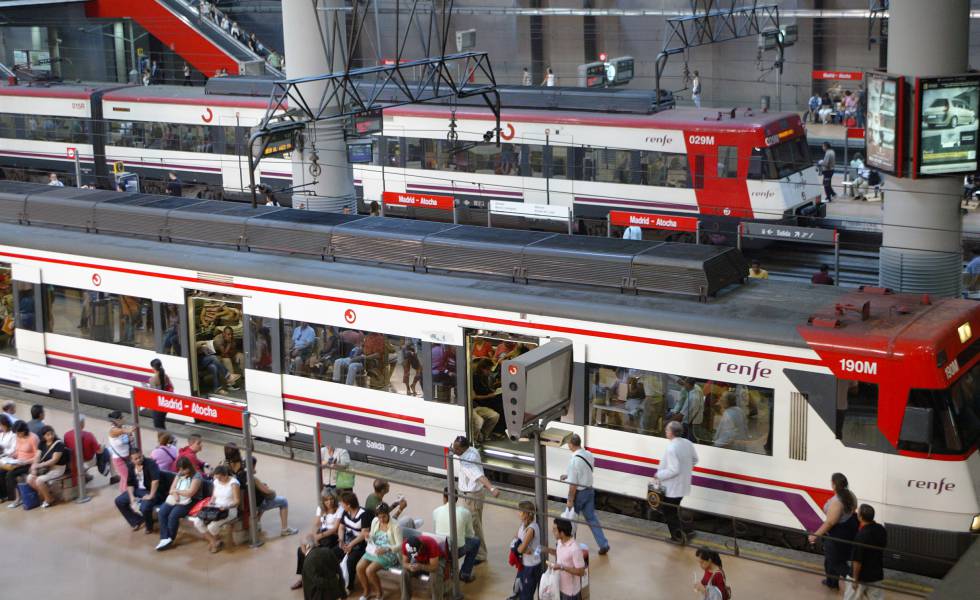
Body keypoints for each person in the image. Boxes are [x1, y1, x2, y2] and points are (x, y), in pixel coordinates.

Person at [451, 436, 500, 563]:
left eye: (456, 448)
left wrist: (492, 488)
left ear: (463, 448)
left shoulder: (468, 461)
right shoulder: (472, 449)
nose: (454, 449)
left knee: (474, 526)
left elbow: (480, 477)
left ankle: (480, 554)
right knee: (473, 524)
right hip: (471, 495)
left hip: (472, 497)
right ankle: (475, 549)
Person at [561, 434, 609, 554]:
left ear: (571, 444)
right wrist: (568, 475)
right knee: (592, 519)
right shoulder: (588, 454)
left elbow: (573, 485)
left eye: (568, 443)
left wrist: (570, 500)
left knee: (571, 520)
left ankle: (569, 547)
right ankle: (603, 544)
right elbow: (585, 470)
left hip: (579, 493)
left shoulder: (574, 461)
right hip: (590, 490)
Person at [809, 472, 858, 590]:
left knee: (835, 561)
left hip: (837, 533)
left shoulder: (838, 501)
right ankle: (831, 582)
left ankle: (854, 578)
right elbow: (854, 508)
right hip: (848, 529)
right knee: (831, 559)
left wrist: (815, 535)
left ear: (834, 484)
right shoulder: (850, 495)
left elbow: (830, 522)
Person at [654, 421, 699, 543]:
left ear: (672, 433)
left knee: (669, 511)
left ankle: (677, 537)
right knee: (674, 509)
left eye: (667, 429)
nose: (665, 431)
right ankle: (688, 531)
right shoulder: (687, 443)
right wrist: (686, 469)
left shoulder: (672, 448)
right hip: (683, 485)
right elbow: (695, 459)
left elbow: (673, 470)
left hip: (673, 487)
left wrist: (658, 475)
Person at [292, 492, 345, 590]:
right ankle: (303, 578)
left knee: (316, 553)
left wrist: (319, 536)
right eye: (326, 500)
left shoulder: (339, 509)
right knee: (301, 550)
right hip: (321, 534)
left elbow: (335, 528)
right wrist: (314, 536)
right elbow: (316, 524)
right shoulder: (320, 508)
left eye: (331, 499)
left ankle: (315, 577)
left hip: (331, 535)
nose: (329, 502)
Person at [114, 446, 167, 532]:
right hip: (138, 490)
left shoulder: (151, 464)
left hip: (153, 491)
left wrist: (151, 495)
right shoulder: (131, 466)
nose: (139, 460)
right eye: (136, 459)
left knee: (144, 507)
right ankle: (136, 521)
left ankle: (149, 527)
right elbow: (130, 483)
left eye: (140, 457)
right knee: (119, 501)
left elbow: (155, 481)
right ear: (131, 460)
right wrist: (131, 497)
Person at [356, 502, 403, 598]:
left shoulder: (395, 526)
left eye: (384, 517)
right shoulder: (375, 521)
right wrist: (368, 536)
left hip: (389, 553)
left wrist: (386, 549)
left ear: (388, 514)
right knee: (359, 567)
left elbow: (400, 545)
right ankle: (367, 591)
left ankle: (379, 593)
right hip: (374, 550)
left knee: (369, 571)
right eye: (379, 517)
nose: (381, 519)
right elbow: (372, 537)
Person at [157, 456, 204, 550]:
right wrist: (176, 494)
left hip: (191, 500)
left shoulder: (197, 476)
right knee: (162, 512)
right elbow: (171, 489)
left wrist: (176, 491)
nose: (181, 472)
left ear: (189, 467)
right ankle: (164, 538)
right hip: (177, 498)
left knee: (173, 515)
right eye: (180, 469)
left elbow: (190, 492)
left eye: (184, 469)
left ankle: (170, 538)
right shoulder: (179, 474)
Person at [433, 486, 479, 582]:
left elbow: (436, 533)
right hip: (455, 550)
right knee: (475, 541)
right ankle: (465, 573)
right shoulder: (465, 512)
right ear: (457, 498)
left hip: (440, 550)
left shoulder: (436, 511)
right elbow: (470, 534)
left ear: (444, 497)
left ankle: (450, 568)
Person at [333, 490, 373, 595]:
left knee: (350, 560)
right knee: (332, 554)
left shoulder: (365, 514)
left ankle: (349, 586)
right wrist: (341, 540)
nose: (341, 505)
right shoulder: (346, 512)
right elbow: (341, 527)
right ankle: (335, 580)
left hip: (361, 545)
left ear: (348, 505)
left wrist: (350, 545)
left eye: (342, 503)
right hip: (346, 542)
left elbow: (364, 533)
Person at [246, 456, 299, 536]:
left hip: (248, 503)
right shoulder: (253, 479)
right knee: (283, 501)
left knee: (263, 489)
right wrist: (272, 491)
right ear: (253, 466)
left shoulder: (241, 475)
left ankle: (258, 523)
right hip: (257, 504)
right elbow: (267, 492)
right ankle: (285, 529)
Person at [845, 504, 887, 600]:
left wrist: (855, 579)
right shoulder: (881, 529)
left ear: (861, 517)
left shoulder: (861, 536)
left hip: (861, 577)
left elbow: (857, 561)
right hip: (876, 575)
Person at [25, 425, 69, 508]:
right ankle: (48, 496)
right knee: (30, 478)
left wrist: (40, 465)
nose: (51, 436)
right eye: (48, 435)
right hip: (45, 468)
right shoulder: (42, 443)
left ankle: (48, 499)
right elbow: (37, 456)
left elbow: (54, 460)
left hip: (57, 468)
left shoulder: (59, 444)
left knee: (39, 480)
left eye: (52, 434)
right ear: (43, 436)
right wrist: (34, 467)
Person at [548, 517, 587, 600]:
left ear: (562, 533)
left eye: (555, 530)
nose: (552, 532)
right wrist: (546, 550)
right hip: (559, 586)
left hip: (570, 593)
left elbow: (581, 571)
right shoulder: (559, 541)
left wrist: (561, 567)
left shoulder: (575, 549)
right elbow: (561, 554)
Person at [1, 421, 38, 507]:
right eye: (16, 433)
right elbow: (17, 451)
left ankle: (17, 499)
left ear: (24, 430)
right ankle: (4, 496)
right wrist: (9, 457)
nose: (17, 435)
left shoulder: (33, 438)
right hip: (18, 462)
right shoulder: (18, 437)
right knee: (1, 471)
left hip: (28, 463)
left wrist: (25, 461)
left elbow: (37, 456)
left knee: (10, 474)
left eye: (19, 433)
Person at [400, 534, 447, 600]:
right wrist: (409, 566)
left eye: (416, 552)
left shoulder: (431, 544)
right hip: (419, 561)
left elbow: (434, 567)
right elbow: (404, 563)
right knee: (405, 572)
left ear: (421, 546)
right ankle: (405, 598)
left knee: (435, 574)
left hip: (437, 560)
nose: (415, 554)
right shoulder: (405, 545)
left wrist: (421, 566)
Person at [512, 500, 542, 600]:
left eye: (520, 511)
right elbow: (516, 538)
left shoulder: (531, 529)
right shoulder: (523, 525)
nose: (518, 513)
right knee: (518, 588)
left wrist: (518, 547)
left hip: (531, 567)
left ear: (527, 514)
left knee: (526, 594)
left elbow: (521, 549)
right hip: (524, 564)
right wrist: (519, 547)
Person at [471, 358, 502, 442]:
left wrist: (493, 390)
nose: (490, 372)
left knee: (498, 407)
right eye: (488, 370)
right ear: (482, 369)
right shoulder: (474, 378)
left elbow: (486, 389)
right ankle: (497, 430)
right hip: (479, 402)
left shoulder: (485, 377)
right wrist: (489, 396)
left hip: (484, 399)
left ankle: (484, 436)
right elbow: (474, 397)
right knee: (498, 405)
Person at [63, 414, 101, 482]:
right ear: (82, 423)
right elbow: (99, 451)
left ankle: (85, 474)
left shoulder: (66, 434)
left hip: (72, 461)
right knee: (105, 453)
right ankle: (113, 476)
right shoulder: (89, 435)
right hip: (86, 461)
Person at [106, 410, 134, 491]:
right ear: (116, 420)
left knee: (124, 478)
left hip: (127, 457)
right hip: (119, 460)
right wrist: (128, 431)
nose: (124, 419)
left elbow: (128, 438)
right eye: (122, 417)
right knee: (128, 479)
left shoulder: (123, 427)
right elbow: (119, 432)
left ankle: (123, 495)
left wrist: (130, 436)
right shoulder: (113, 430)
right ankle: (126, 497)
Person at [147, 358, 173, 430]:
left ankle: (165, 439)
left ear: (153, 368)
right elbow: (171, 387)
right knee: (162, 424)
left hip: (157, 406)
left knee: (158, 426)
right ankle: (166, 439)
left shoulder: (152, 379)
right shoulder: (165, 376)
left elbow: (152, 394)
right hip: (165, 404)